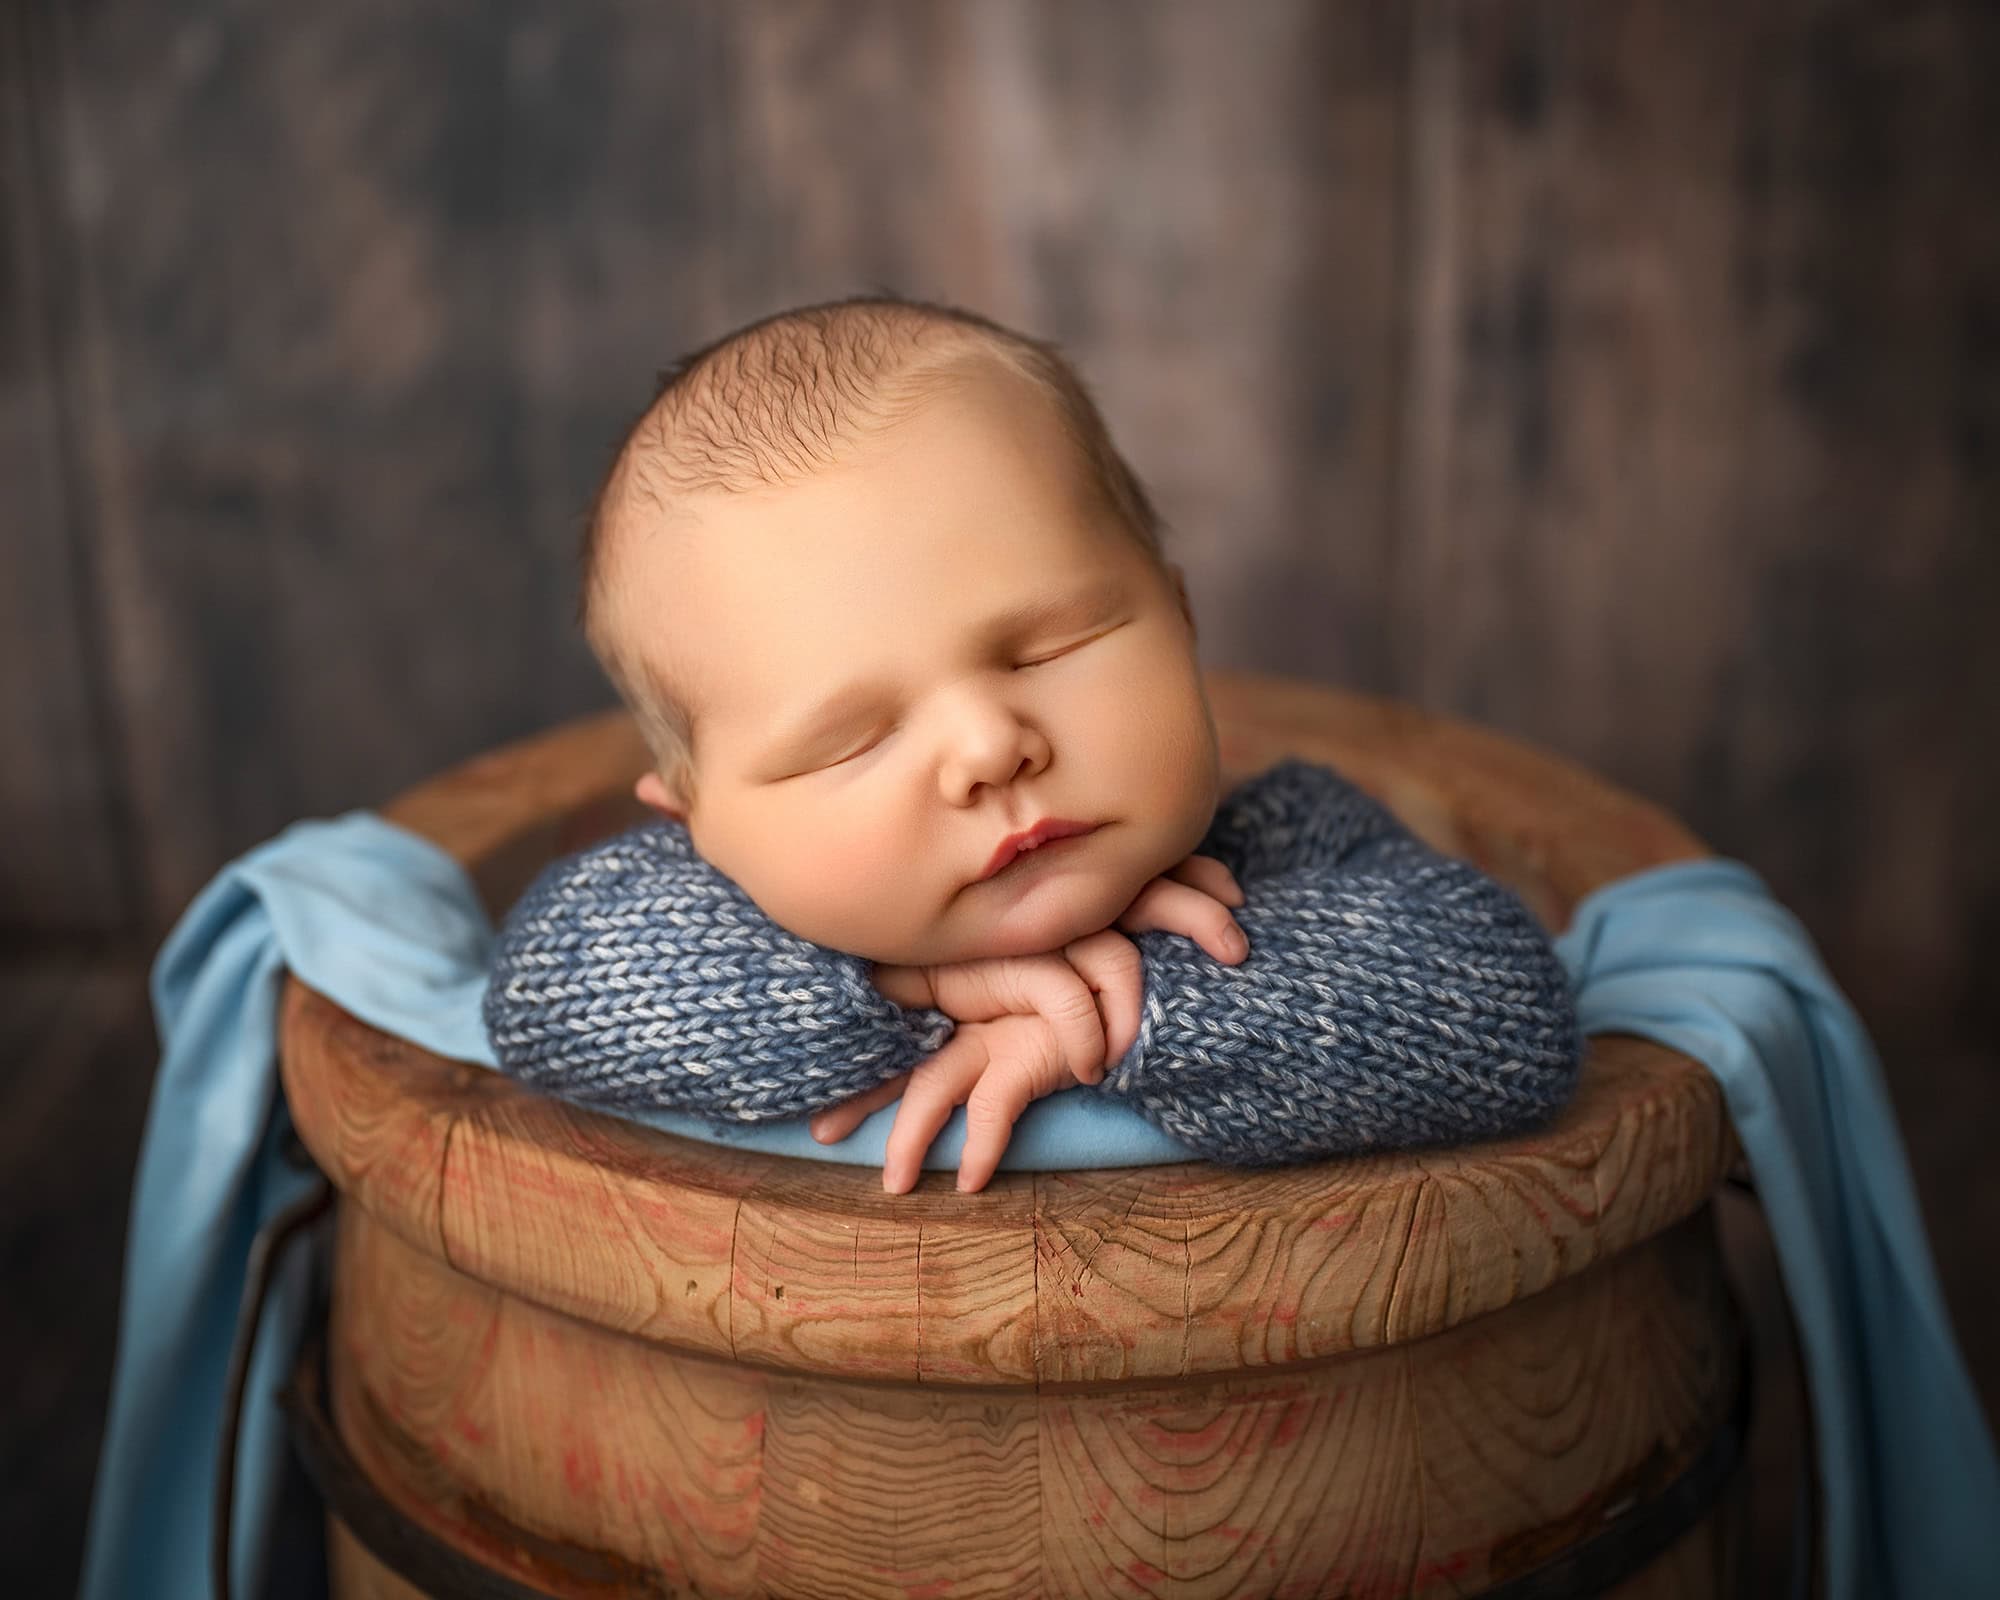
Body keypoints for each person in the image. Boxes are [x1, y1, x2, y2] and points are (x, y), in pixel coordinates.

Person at [485, 292, 1582, 1192]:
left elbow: (1510, 1011)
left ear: (1180, 619)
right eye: (850, 741)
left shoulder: (1290, 838)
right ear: (700, 826)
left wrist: (1129, 1009)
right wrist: (905, 989)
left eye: (1052, 646)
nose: (987, 748)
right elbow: (538, 987)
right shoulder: (698, 907)